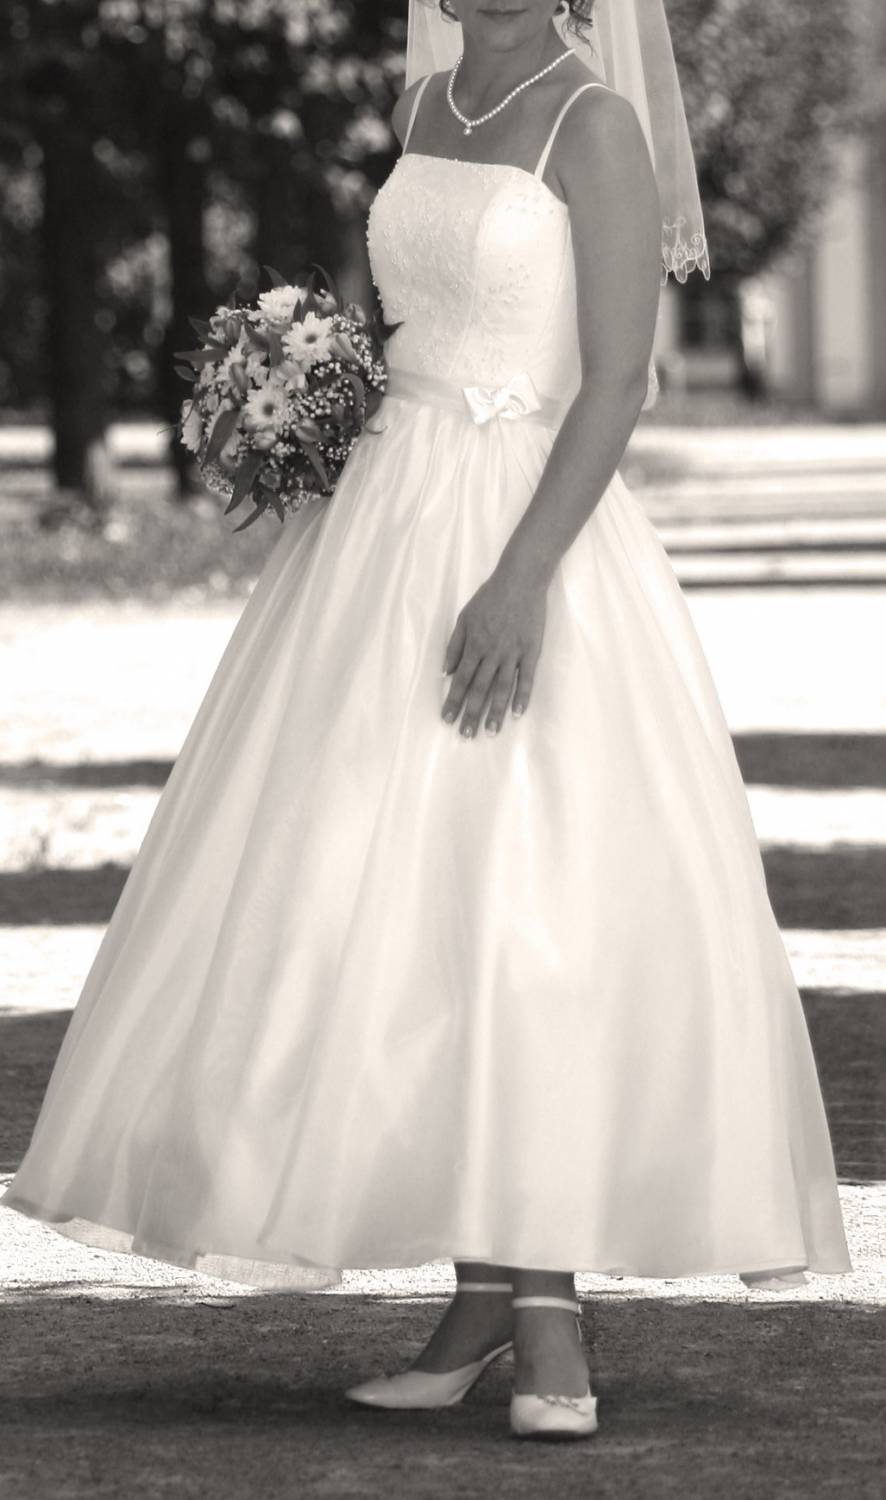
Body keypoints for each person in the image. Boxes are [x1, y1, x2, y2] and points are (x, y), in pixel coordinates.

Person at [3, 0, 850, 1442]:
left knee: (518, 903)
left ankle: (547, 1311)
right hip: (381, 535)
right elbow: (402, 328)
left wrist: (520, 581)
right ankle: (481, 1306)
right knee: (393, 907)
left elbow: (619, 383)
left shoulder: (597, 123)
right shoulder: (420, 108)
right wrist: (296, 400)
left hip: (528, 533)